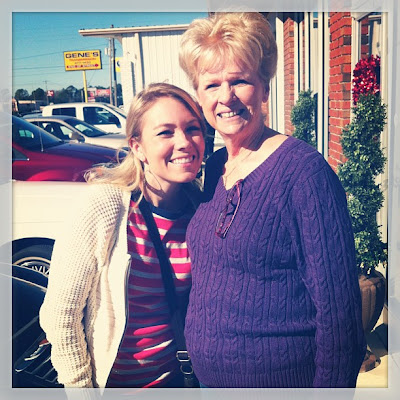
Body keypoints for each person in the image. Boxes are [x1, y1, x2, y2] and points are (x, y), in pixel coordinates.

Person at [179, 12, 366, 388]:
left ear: (264, 88)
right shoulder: (214, 167)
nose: (226, 97)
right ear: (199, 95)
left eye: (240, 81)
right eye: (212, 84)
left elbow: (340, 317)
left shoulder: (304, 174)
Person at [39, 82, 206, 389]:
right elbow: (61, 316)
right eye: (165, 132)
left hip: (181, 382)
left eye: (192, 129)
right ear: (138, 147)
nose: (184, 142)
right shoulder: (105, 206)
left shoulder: (202, 209)